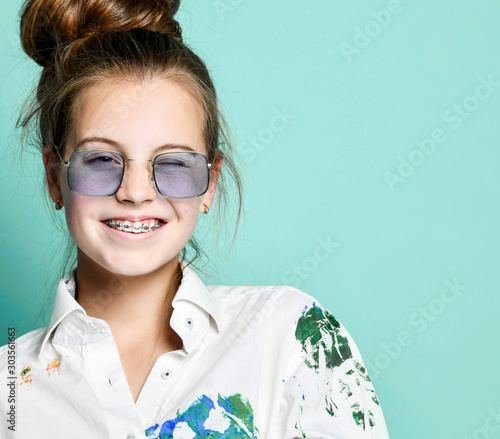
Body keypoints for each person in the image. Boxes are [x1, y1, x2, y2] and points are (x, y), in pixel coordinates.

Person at [0, 0, 390, 437]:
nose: (135, 191)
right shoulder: (7, 394)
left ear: (210, 183)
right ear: (55, 177)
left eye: (172, 164)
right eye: (101, 159)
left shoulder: (296, 340)